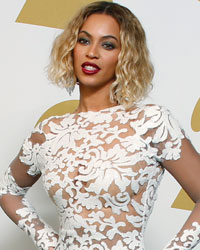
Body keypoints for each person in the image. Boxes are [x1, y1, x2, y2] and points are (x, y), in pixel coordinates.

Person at [0, 1, 200, 250]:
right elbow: (8, 191)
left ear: (125, 55)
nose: (92, 52)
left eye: (107, 44)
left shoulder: (151, 123)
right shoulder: (48, 132)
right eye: (84, 40)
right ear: (71, 48)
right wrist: (49, 242)